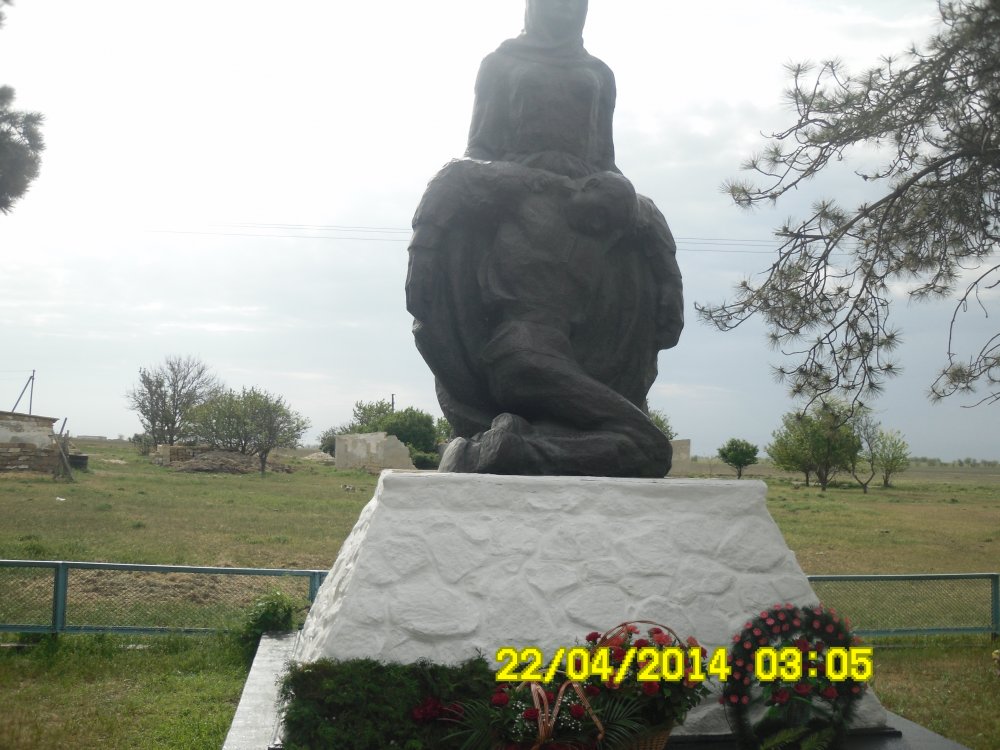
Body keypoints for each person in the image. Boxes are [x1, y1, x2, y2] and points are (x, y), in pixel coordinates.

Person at [406, 0, 683, 477]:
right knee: (648, 449)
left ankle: (519, 448)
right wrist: (429, 247)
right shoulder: (502, 63)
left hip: (585, 202)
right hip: (520, 200)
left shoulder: (598, 73)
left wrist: (664, 275)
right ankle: (515, 448)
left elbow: (606, 159)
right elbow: (476, 153)